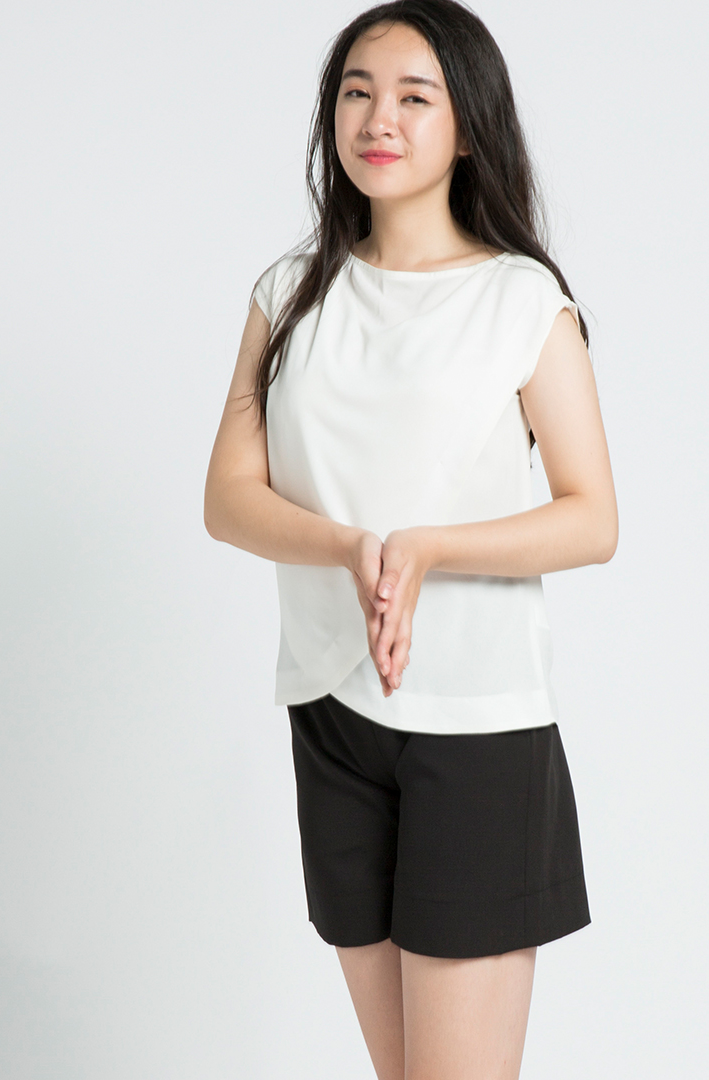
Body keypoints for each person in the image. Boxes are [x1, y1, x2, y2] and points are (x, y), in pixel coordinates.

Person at [203, 1, 617, 1076]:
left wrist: (428, 548)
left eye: (413, 96)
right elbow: (229, 498)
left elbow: (592, 517)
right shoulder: (289, 293)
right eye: (357, 91)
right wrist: (353, 548)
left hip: (475, 725)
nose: (377, 118)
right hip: (331, 713)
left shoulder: (520, 301)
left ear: (468, 126)